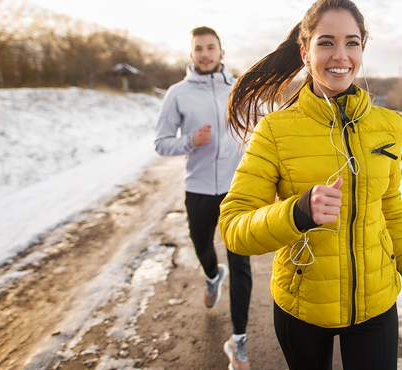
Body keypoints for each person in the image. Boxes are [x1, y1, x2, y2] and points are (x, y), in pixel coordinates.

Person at [219, 1, 402, 369]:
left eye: (352, 42)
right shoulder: (276, 131)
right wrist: (297, 213)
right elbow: (234, 228)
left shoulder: (389, 125)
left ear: (363, 49)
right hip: (302, 305)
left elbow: (390, 201)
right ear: (305, 52)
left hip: (375, 303)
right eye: (326, 42)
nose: (341, 56)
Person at [153, 26, 252, 370]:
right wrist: (190, 141)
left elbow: (254, 129)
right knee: (202, 247)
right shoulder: (177, 94)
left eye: (211, 47)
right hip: (197, 189)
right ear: (192, 54)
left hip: (235, 190)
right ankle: (212, 276)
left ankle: (239, 340)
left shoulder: (239, 89)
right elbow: (161, 142)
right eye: (199, 48)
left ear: (222, 53)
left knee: (241, 263)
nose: (206, 53)